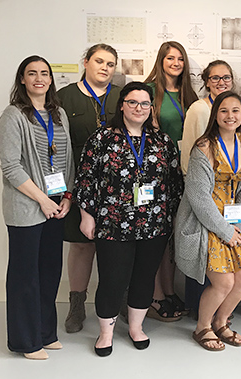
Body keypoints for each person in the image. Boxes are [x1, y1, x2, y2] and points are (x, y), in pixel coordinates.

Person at [74, 82, 183, 356]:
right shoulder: (101, 140)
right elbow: (85, 179)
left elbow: (174, 183)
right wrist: (87, 216)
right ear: (121, 104)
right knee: (112, 279)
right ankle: (106, 333)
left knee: (144, 278)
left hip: (153, 223)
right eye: (133, 102)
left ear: (151, 108)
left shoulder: (162, 141)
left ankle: (136, 328)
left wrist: (169, 218)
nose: (139, 108)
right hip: (112, 223)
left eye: (145, 104)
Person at [0, 55, 74, 360]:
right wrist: (43, 200)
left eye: (44, 73)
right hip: (27, 206)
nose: (39, 78)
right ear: (22, 80)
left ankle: (45, 332)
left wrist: (66, 197)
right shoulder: (12, 116)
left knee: (49, 271)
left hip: (56, 205)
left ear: (51, 79)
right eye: (32, 73)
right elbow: (11, 167)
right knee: (25, 275)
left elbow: (66, 158)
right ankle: (25, 341)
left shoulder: (59, 114)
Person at [175, 91, 241, 351]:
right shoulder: (203, 147)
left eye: (235, 111)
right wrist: (223, 230)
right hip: (206, 222)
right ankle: (203, 327)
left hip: (234, 223)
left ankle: (221, 323)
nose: (230, 116)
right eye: (224, 111)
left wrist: (238, 226)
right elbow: (198, 198)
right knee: (224, 282)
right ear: (215, 115)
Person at [57, 43, 121, 333]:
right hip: (77, 183)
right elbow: (54, 145)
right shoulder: (64, 97)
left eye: (110, 63)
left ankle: (113, 306)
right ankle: (76, 305)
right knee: (81, 246)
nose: (105, 68)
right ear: (85, 62)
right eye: (99, 61)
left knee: (114, 249)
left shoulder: (122, 97)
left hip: (116, 186)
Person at [144, 41, 198, 320]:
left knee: (170, 237)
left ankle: (168, 290)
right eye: (170, 58)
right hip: (157, 173)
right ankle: (154, 295)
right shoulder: (150, 91)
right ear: (161, 60)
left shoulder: (190, 93)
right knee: (155, 236)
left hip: (183, 173)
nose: (176, 63)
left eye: (180, 59)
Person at [180, 60, 236, 316]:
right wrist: (195, 191)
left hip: (228, 201)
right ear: (206, 81)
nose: (221, 82)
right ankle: (197, 309)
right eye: (215, 78)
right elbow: (188, 153)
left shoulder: (234, 110)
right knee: (201, 253)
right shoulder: (198, 109)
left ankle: (220, 311)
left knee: (223, 254)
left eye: (226, 77)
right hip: (202, 195)